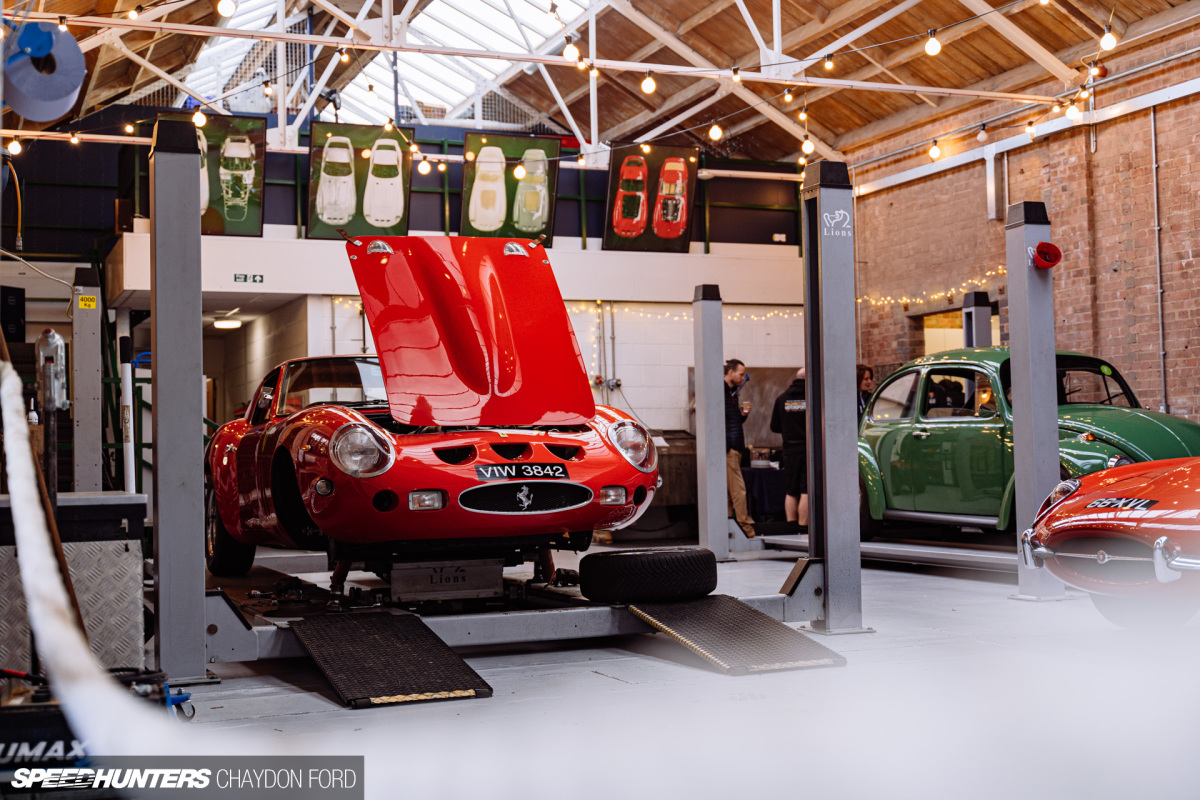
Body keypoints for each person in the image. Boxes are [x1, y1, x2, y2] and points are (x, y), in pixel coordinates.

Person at [770, 367, 808, 529]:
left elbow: (774, 427)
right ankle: (803, 527)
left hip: (789, 450)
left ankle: (791, 527)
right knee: (806, 489)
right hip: (809, 449)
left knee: (791, 490)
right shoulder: (813, 398)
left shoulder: (781, 399)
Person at [723, 358, 755, 538]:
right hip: (730, 448)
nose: (743, 378)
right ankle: (746, 528)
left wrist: (742, 415)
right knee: (738, 489)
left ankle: (730, 527)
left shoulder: (731, 394)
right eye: (741, 374)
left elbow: (730, 421)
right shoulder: (723, 392)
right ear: (730, 373)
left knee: (729, 491)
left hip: (733, 447)